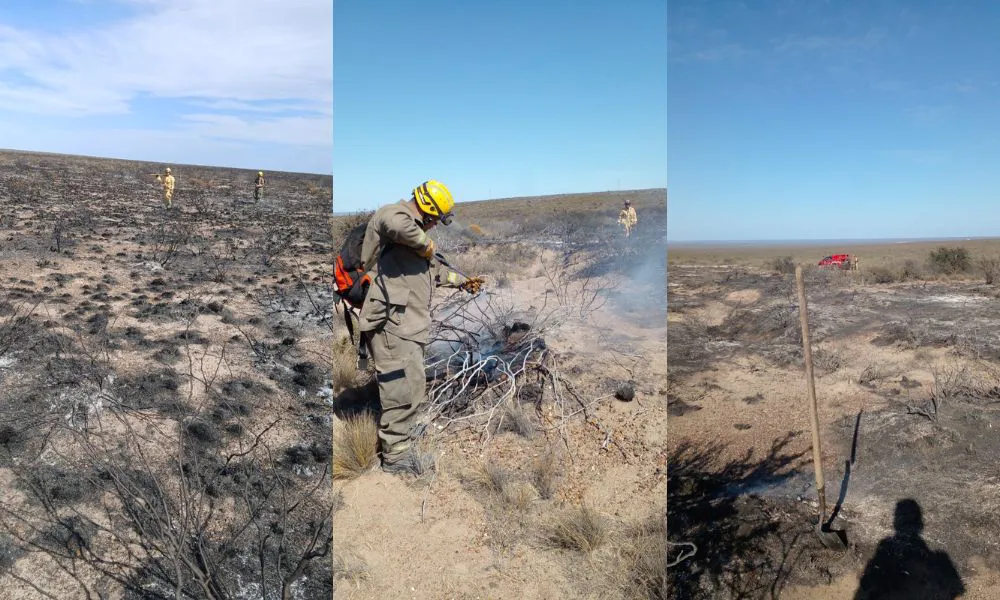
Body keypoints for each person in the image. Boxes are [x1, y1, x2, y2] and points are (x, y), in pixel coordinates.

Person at [357, 180, 483, 475]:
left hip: (409, 325)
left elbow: (436, 273)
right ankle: (396, 456)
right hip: (391, 324)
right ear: (427, 210)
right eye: (437, 219)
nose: (436, 226)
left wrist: (462, 282)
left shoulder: (414, 240)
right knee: (400, 388)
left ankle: (402, 435)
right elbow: (391, 222)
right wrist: (426, 245)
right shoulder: (395, 216)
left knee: (412, 384)